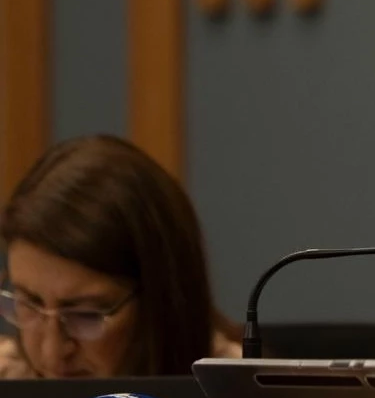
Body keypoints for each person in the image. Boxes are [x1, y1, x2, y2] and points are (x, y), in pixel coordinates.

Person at [0, 135, 241, 378]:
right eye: (28, 304)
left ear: (161, 303)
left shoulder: (242, 396)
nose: (51, 353)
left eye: (86, 315)